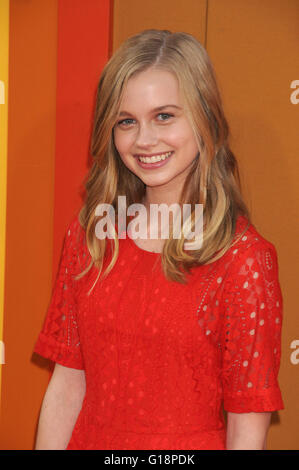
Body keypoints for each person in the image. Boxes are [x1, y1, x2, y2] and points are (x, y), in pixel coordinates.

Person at [33, 29, 284, 450]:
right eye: (126, 121)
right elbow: (67, 386)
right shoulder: (90, 236)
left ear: (205, 117)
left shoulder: (242, 260)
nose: (144, 140)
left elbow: (246, 427)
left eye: (164, 116)